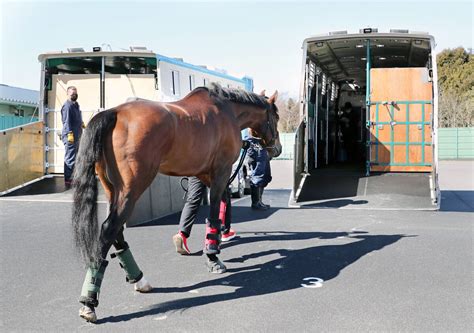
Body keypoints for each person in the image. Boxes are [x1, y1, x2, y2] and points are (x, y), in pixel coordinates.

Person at [173, 176, 236, 256]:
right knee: (222, 195)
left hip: (195, 167)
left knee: (193, 199)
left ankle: (182, 234)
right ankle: (224, 231)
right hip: (215, 168)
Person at [61, 86, 84, 189]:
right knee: (70, 158)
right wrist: (69, 133)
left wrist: (81, 123)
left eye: (75, 93)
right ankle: (68, 180)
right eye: (72, 94)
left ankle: (75, 177)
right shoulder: (67, 106)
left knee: (77, 157)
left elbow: (77, 117)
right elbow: (66, 121)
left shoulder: (76, 105)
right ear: (68, 94)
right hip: (70, 135)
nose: (74, 95)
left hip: (78, 134)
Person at [244, 128, 273, 210]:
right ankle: (256, 202)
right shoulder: (250, 125)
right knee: (257, 176)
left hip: (260, 149)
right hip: (256, 149)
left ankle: (259, 201)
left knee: (264, 176)